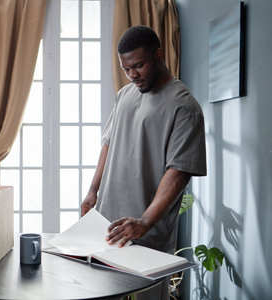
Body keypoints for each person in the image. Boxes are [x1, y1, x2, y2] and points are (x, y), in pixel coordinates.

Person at [81, 25, 207, 299]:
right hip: (106, 224)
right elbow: (108, 143)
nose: (132, 74)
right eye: (126, 69)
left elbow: (179, 171)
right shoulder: (125, 95)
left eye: (138, 65)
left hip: (147, 234)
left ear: (159, 55)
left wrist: (145, 221)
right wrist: (93, 191)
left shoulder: (185, 107)